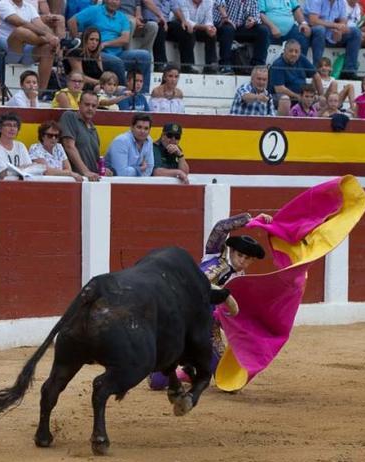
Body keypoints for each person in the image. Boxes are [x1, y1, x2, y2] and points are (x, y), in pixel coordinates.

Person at [147, 211, 272, 390]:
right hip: (184, 319)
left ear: (251, 261)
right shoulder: (213, 256)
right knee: (157, 383)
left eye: (247, 259)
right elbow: (221, 228)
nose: (242, 261)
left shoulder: (241, 282)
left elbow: (233, 313)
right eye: (240, 255)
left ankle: (189, 372)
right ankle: (169, 366)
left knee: (229, 382)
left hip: (208, 328)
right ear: (232, 251)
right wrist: (249, 221)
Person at [68, 0, 153, 90]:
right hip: (99, 53)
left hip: (118, 53)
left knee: (145, 56)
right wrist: (79, 42)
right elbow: (71, 22)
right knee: (116, 62)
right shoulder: (94, 10)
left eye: (117, 0)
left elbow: (125, 39)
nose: (114, 2)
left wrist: (105, 44)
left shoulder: (122, 17)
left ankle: (144, 93)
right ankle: (123, 92)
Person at [0, 0, 61, 91]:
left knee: (48, 48)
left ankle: (41, 92)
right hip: (9, 50)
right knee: (20, 31)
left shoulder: (29, 7)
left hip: (27, 49)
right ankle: (49, 41)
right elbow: (20, 23)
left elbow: (41, 26)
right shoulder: (3, 3)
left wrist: (53, 38)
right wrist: (47, 37)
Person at [305, 0, 362, 80]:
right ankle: (316, 70)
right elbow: (313, 20)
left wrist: (339, 31)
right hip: (314, 33)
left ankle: (349, 72)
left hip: (331, 34)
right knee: (320, 30)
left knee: (355, 32)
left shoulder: (340, 2)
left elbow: (343, 22)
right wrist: (335, 25)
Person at [213, 0, 271, 74]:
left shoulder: (252, 1)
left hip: (241, 27)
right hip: (223, 25)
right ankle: (225, 65)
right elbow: (218, 2)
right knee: (228, 28)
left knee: (263, 30)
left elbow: (256, 16)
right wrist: (225, 17)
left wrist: (252, 20)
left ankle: (258, 65)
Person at [59, 91, 103, 181]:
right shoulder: (70, 116)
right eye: (87, 105)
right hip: (76, 179)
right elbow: (69, 146)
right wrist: (85, 171)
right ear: (79, 104)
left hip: (92, 178)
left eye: (93, 106)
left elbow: (95, 159)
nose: (90, 108)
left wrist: (103, 169)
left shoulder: (93, 129)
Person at [166, 0, 219, 74]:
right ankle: (187, 66)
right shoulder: (183, 1)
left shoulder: (209, 1)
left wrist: (210, 28)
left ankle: (210, 65)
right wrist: (205, 27)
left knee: (211, 34)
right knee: (187, 30)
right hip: (179, 25)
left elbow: (209, 20)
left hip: (197, 27)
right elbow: (186, 20)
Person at [0, 112, 38, 180]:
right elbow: (3, 174)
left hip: (19, 185)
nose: (12, 128)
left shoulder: (20, 146)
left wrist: (13, 170)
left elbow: (30, 170)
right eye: (8, 125)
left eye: (15, 126)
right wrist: (22, 169)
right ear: (0, 128)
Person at [269, 39, 315, 116]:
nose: (294, 54)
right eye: (291, 51)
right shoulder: (278, 64)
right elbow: (279, 89)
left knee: (322, 101)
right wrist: (298, 96)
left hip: (302, 96)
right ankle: (282, 126)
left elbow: (316, 75)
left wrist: (318, 94)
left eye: (296, 51)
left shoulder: (301, 58)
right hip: (279, 96)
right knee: (285, 100)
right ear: (284, 51)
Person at [104, 112, 155, 177]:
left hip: (135, 182)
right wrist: (140, 169)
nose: (142, 131)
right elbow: (121, 173)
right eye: (139, 127)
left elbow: (149, 168)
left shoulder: (149, 140)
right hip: (112, 182)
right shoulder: (121, 141)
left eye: (146, 128)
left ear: (150, 130)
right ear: (132, 127)